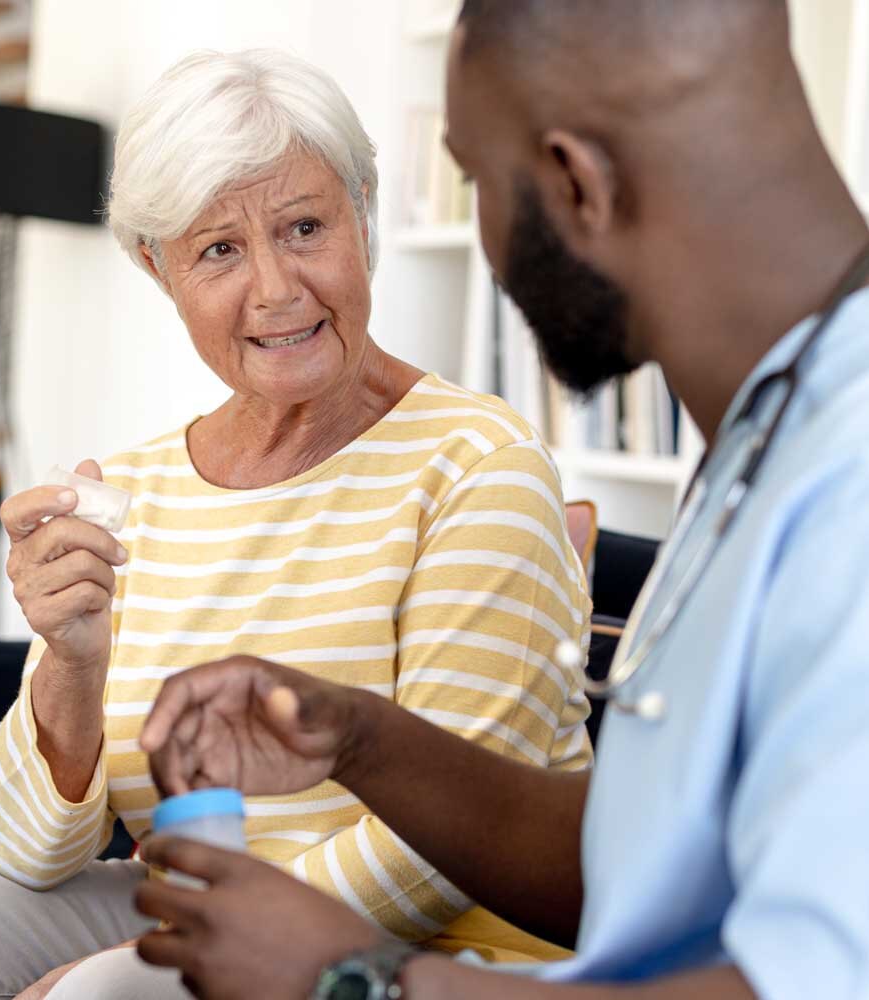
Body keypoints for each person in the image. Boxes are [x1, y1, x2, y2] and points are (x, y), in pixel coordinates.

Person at [129, 1, 869, 998]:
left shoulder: (848, 480)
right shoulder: (781, 426)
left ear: (574, 184)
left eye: (474, 176)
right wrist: (358, 736)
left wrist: (356, 979)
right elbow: (647, 859)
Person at [0, 48, 593, 1000]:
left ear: (364, 214)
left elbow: (445, 853)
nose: (275, 288)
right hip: (190, 912)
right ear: (156, 267)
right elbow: (22, 853)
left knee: (101, 994)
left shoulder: (477, 465)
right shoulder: (133, 489)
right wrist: (72, 660)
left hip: (439, 955)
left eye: (305, 227)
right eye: (219, 249)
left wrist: (146, 959)